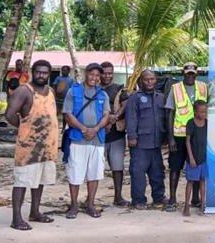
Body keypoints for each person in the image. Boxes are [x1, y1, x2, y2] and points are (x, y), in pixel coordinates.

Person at [4, 60, 58, 231]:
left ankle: (35, 212)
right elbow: (9, 114)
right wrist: (25, 129)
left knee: (40, 181)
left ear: (49, 74)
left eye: (45, 72)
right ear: (33, 72)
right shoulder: (23, 91)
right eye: (38, 72)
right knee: (22, 182)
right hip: (28, 148)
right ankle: (16, 218)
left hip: (47, 147)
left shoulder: (50, 91)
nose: (41, 75)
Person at [62, 63, 111, 219]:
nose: (94, 78)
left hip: (97, 140)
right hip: (78, 139)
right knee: (75, 173)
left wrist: (95, 129)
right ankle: (74, 205)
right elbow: (68, 114)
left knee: (94, 174)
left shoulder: (103, 94)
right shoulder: (73, 91)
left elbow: (106, 116)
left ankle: (90, 204)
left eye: (97, 75)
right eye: (92, 74)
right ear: (85, 74)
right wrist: (83, 129)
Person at [165, 62, 208, 212]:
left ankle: (195, 199)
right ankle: (172, 199)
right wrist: (170, 138)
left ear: (197, 74)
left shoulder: (203, 87)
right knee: (175, 167)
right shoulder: (175, 88)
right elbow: (170, 113)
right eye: (188, 73)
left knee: (197, 165)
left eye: (193, 74)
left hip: (197, 136)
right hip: (179, 135)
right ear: (183, 73)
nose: (190, 76)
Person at [127, 70, 167, 210]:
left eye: (152, 79)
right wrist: (132, 136)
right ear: (141, 81)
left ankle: (158, 197)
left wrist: (166, 138)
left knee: (157, 173)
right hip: (140, 143)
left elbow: (165, 118)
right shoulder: (135, 98)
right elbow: (131, 118)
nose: (149, 82)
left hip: (156, 143)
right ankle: (138, 200)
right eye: (146, 79)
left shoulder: (161, 97)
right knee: (138, 173)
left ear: (156, 80)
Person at [98, 61, 130, 206]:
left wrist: (113, 118)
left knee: (117, 167)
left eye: (110, 73)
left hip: (116, 134)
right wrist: (104, 122)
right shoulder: (94, 89)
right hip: (98, 135)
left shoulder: (119, 89)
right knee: (94, 168)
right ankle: (90, 198)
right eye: (104, 73)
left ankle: (118, 197)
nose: (107, 76)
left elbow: (126, 105)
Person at [183, 100, 208, 217]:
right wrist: (191, 158)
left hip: (203, 158)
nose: (203, 114)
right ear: (195, 112)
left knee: (202, 181)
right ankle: (186, 206)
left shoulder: (207, 123)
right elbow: (187, 141)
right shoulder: (191, 123)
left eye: (205, 112)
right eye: (201, 112)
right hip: (193, 158)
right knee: (190, 181)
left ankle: (202, 205)